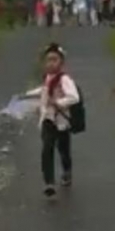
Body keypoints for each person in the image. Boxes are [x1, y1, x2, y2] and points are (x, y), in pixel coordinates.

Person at [24, 43, 80, 197]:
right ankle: (49, 182)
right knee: (46, 149)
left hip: (62, 121)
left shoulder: (65, 80)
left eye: (54, 60)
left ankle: (67, 171)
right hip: (48, 119)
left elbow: (74, 97)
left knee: (63, 149)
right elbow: (45, 90)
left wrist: (58, 103)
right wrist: (31, 95)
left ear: (61, 62)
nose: (51, 63)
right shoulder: (48, 78)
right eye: (48, 60)